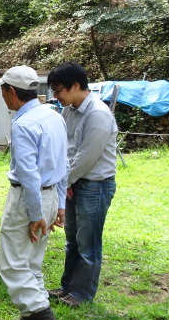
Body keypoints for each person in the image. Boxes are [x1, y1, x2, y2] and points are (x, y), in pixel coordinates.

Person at [0, 65, 71, 320]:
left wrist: (36, 215)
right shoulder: (53, 116)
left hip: (29, 200)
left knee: (13, 264)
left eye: (2, 91)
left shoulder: (23, 124)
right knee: (32, 261)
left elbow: (28, 175)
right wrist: (59, 205)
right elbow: (64, 163)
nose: (2, 97)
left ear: (11, 92)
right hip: (49, 197)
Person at [47, 62, 118, 307]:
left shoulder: (97, 113)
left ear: (76, 86)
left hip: (95, 185)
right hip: (74, 181)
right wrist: (65, 180)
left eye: (59, 91)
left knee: (88, 243)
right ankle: (67, 288)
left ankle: (82, 294)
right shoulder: (69, 110)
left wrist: (66, 180)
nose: (56, 96)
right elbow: (65, 149)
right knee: (72, 240)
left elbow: (88, 155)